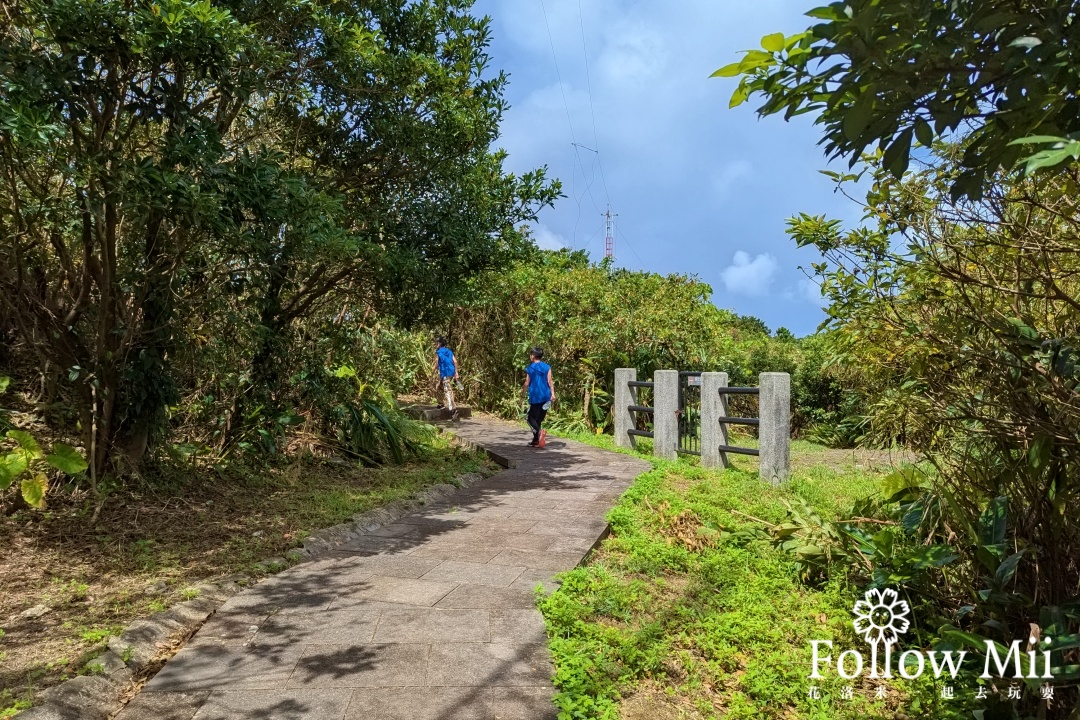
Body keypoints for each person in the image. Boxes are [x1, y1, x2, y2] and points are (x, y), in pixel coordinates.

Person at [523, 347, 554, 448]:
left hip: (536, 397)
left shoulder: (530, 368)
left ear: (533, 356)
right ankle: (536, 440)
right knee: (538, 419)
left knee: (529, 418)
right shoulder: (547, 367)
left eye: (530, 354)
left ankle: (539, 433)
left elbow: (527, 383)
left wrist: (522, 396)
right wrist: (553, 394)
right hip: (546, 397)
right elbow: (550, 381)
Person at [433, 337, 460, 417]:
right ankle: (441, 403)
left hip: (445, 372)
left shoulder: (438, 352)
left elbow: (436, 364)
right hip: (450, 372)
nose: (436, 344)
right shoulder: (449, 351)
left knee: (447, 390)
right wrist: (456, 372)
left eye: (437, 343)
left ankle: (453, 410)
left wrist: (432, 373)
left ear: (440, 344)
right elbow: (455, 361)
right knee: (439, 387)